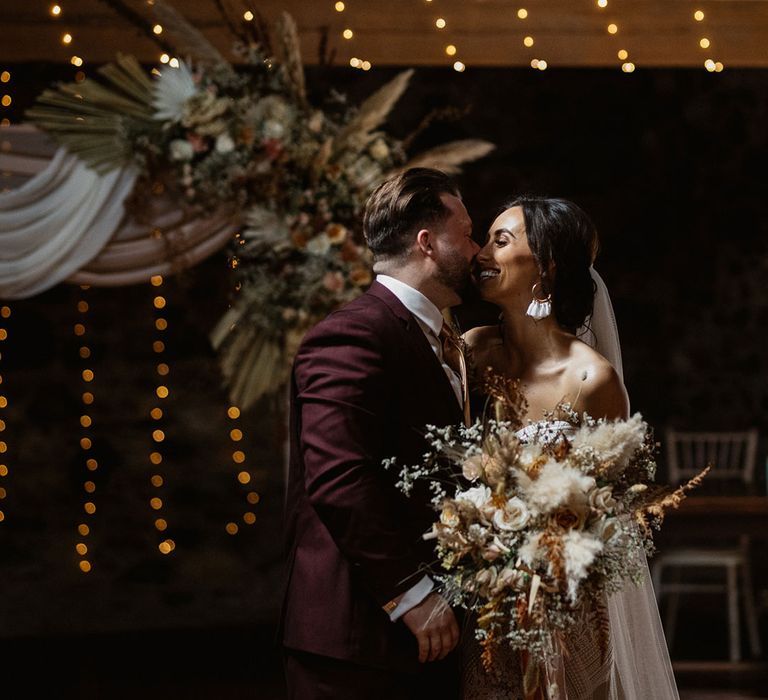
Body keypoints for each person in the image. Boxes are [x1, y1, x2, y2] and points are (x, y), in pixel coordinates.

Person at [462, 196, 679, 699]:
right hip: (486, 600)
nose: (480, 255)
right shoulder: (472, 352)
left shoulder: (592, 379)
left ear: (546, 266)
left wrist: (548, 558)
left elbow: (611, 516)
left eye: (501, 240)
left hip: (569, 607)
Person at [280, 167, 480, 699]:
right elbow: (338, 478)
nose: (477, 249)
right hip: (359, 639)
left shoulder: (446, 338)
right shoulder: (353, 334)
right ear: (427, 243)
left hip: (420, 637)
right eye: (466, 233)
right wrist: (412, 595)